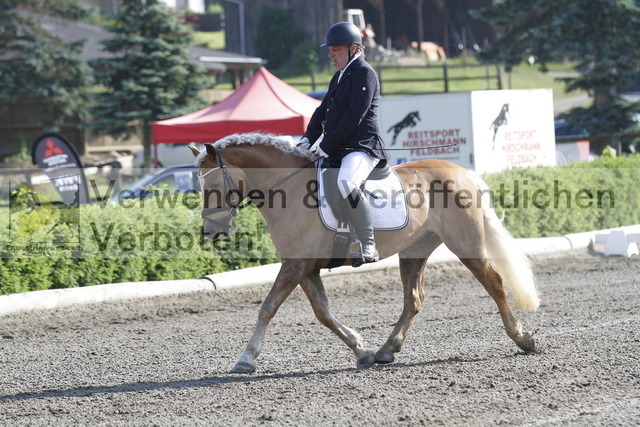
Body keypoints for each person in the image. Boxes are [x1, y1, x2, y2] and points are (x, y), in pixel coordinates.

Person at [297, 21, 389, 266]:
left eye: (335, 49)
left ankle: (368, 243)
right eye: (330, 49)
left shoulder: (364, 73)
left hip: (363, 146)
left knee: (347, 180)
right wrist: (307, 138)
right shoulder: (339, 76)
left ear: (352, 48)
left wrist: (326, 145)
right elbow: (322, 111)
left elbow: (354, 116)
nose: (330, 54)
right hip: (340, 148)